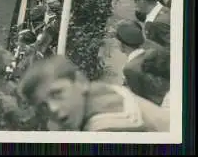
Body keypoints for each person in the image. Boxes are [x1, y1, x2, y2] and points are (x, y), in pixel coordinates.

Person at [18, 55, 170, 131]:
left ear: (81, 81)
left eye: (57, 93)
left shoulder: (105, 128)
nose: (53, 108)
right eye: (43, 106)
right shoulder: (102, 92)